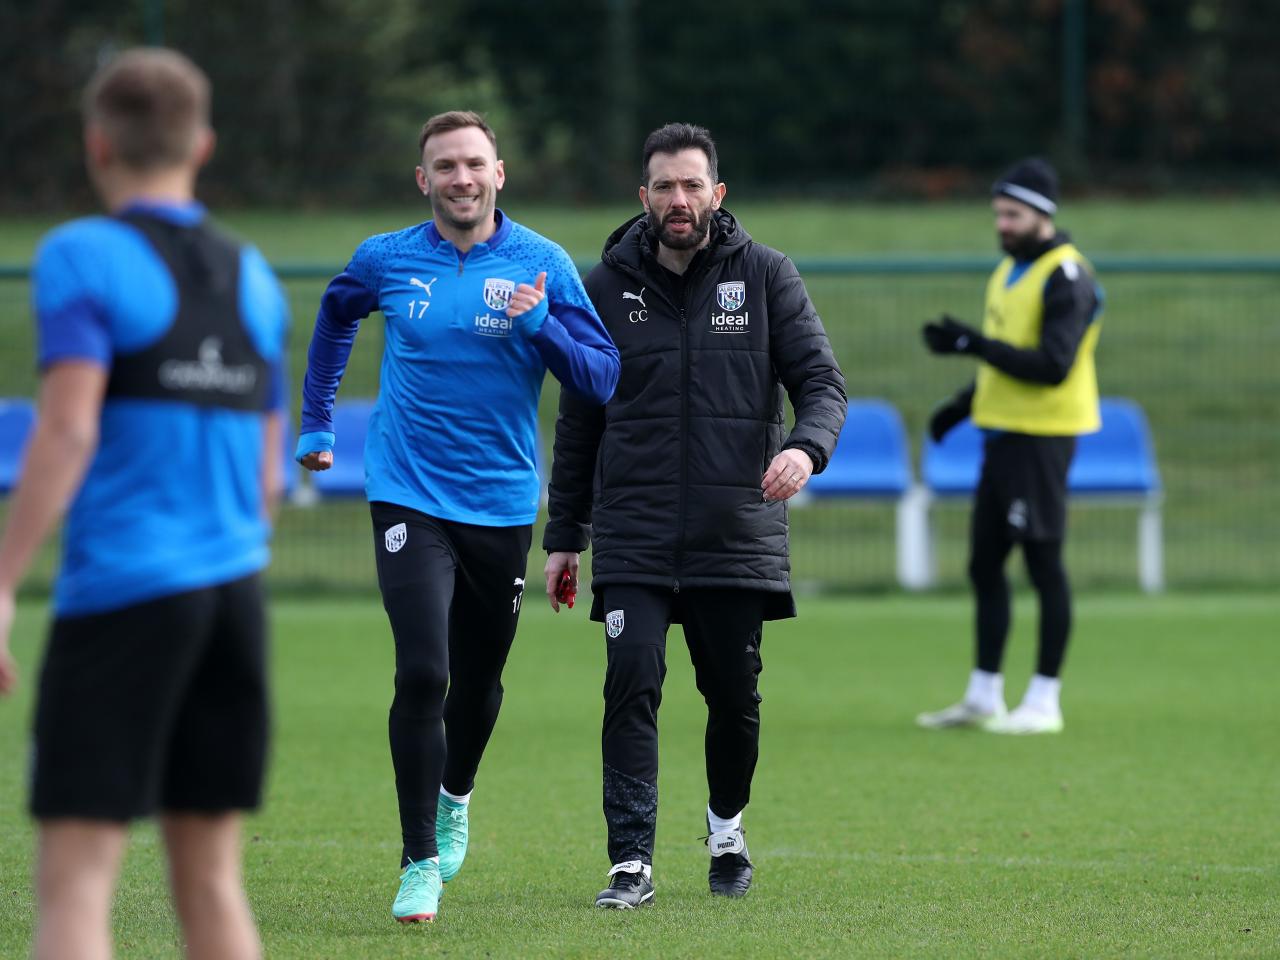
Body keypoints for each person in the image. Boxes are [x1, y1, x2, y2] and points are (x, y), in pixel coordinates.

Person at [294, 110, 619, 923]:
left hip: (501, 503)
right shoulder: (387, 259)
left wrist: (539, 325)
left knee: (476, 683)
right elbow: (335, 316)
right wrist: (317, 420)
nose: (461, 178)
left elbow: (604, 378)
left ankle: (456, 791)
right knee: (423, 672)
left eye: (474, 163)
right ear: (424, 180)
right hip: (405, 490)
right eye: (446, 166)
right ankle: (418, 863)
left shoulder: (542, 264)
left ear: (499, 173)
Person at [0, 49, 288, 960]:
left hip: (124, 593)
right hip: (234, 599)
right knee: (209, 880)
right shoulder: (254, 277)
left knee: (78, 883)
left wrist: (3, 581)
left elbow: (70, 429)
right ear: (201, 144)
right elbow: (268, 476)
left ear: (97, 146)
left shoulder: (82, 254)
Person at [542, 123, 847, 908]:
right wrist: (565, 538)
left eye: (691, 185)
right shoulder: (602, 288)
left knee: (734, 697)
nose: (678, 200)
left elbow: (822, 384)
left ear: (717, 193)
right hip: (635, 533)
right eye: (663, 187)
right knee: (631, 681)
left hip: (733, 532)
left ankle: (725, 829)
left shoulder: (769, 276)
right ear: (642, 197)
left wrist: (806, 451)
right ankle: (630, 864)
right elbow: (580, 422)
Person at [916, 156, 1103, 736]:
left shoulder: (1066, 277)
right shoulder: (1008, 271)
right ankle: (984, 695)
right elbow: (1007, 356)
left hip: (1042, 439)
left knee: (1043, 562)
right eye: (998, 213)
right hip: (1001, 437)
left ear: (1043, 215)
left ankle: (1045, 700)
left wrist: (972, 343)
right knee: (984, 563)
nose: (1002, 223)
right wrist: (962, 405)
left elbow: (1051, 365)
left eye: (1013, 214)